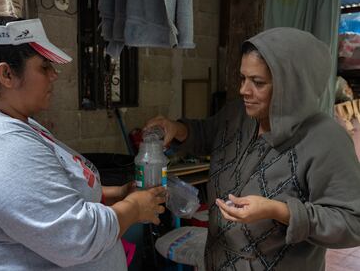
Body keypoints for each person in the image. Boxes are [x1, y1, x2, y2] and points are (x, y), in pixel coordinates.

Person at [0, 16, 166, 271]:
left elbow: (50, 190)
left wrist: (116, 193)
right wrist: (134, 207)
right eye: (44, 67)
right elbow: (77, 237)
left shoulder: (12, 119)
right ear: (6, 74)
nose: (55, 75)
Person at [146, 27, 360, 270]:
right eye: (243, 78)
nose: (244, 90)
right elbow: (208, 133)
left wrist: (280, 211)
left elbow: (353, 223)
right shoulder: (239, 114)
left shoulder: (325, 139)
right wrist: (177, 128)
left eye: (258, 82)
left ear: (292, 86)